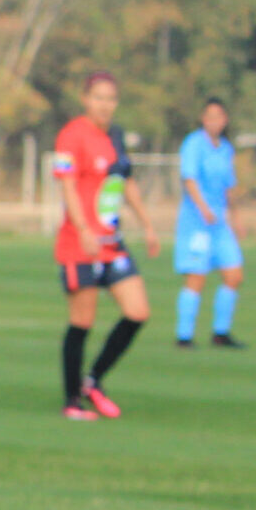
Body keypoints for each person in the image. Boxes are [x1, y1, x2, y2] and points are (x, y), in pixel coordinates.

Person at [51, 72, 158, 418]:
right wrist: (82, 228)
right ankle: (71, 401)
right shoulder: (72, 135)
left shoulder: (115, 136)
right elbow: (67, 186)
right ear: (85, 98)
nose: (105, 105)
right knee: (82, 321)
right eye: (98, 97)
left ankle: (93, 380)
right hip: (78, 242)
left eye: (111, 98)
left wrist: (147, 224)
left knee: (138, 312)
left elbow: (124, 182)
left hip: (112, 242)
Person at [175, 97, 246, 348]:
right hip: (196, 223)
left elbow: (230, 187)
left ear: (225, 120)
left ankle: (220, 332)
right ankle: (184, 336)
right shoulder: (193, 144)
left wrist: (236, 219)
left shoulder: (225, 148)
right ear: (203, 119)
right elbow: (189, 179)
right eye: (210, 116)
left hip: (219, 223)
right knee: (197, 278)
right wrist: (203, 208)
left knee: (234, 274)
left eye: (219, 116)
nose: (214, 121)